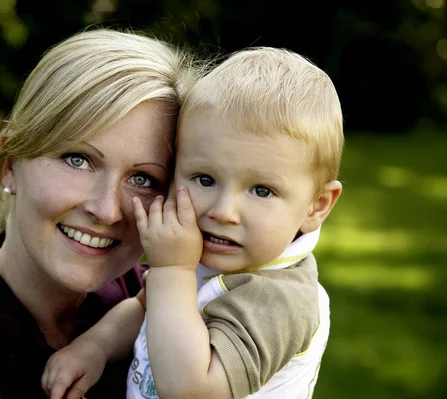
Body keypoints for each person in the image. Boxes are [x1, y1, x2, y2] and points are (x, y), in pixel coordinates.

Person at [0, 28, 202, 398]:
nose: (107, 209)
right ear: (11, 164)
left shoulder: (173, 306)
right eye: (77, 160)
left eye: (143, 178)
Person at [42, 46, 344, 399]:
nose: (223, 211)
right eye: (204, 179)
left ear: (316, 206)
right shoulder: (207, 256)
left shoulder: (278, 299)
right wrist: (95, 347)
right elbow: (144, 307)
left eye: (261, 190)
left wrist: (173, 270)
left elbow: (192, 389)